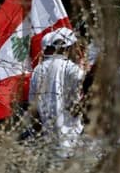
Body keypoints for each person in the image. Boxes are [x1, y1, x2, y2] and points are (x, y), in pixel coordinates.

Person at [28, 27, 85, 157]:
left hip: (48, 141)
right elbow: (84, 79)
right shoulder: (68, 67)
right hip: (71, 141)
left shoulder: (38, 70)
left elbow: (33, 109)